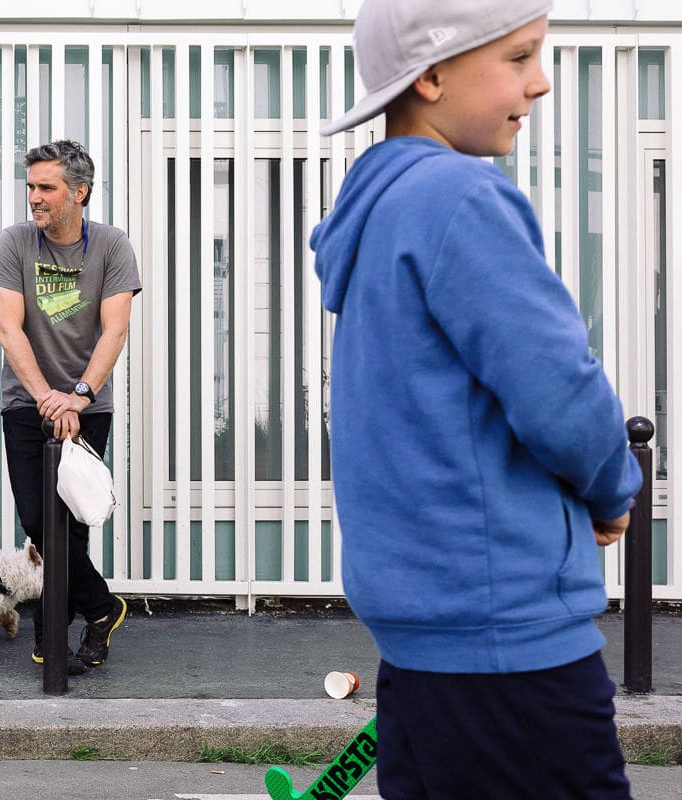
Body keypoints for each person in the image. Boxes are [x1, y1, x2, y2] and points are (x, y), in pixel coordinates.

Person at [310, 1, 642, 797]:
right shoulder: (461, 197)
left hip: (423, 638)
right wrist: (613, 488)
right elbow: (559, 386)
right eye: (520, 57)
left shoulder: (376, 210)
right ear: (431, 75)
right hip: (509, 637)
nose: (544, 81)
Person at [0, 140, 140, 672]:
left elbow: (115, 328)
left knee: (71, 523)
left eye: (46, 187)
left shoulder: (112, 247)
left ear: (80, 192)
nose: (34, 197)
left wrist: (79, 395)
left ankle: (53, 633)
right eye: (30, 187)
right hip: (26, 404)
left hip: (88, 408)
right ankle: (101, 609)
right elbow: (9, 327)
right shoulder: (14, 243)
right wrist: (48, 397)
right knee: (37, 519)